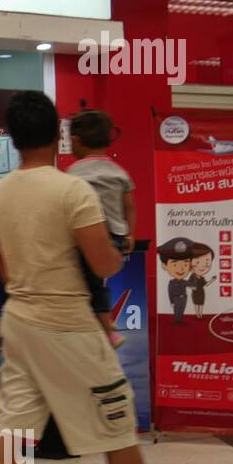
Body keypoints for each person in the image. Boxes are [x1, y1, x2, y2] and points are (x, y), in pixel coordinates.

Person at [0, 91, 215, 464]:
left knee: (10, 427)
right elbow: (103, 261)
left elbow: (5, 271)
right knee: (116, 422)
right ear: (57, 136)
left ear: (14, 139)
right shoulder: (72, 191)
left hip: (19, 319)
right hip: (68, 323)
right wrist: (114, 248)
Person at [68, 109, 135, 348]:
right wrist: (129, 234)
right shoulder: (119, 172)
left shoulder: (73, 174)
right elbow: (130, 206)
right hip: (116, 237)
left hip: (89, 238)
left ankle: (107, 329)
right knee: (96, 281)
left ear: (75, 140)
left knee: (89, 284)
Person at [158, 238, 196, 325]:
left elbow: (192, 284)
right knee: (176, 310)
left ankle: (180, 320)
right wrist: (171, 301)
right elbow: (170, 292)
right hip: (176, 298)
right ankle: (176, 320)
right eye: (175, 264)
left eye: (186, 264)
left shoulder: (184, 281)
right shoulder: (171, 282)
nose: (181, 268)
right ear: (164, 266)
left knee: (182, 309)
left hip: (184, 297)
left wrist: (193, 275)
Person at [188, 242, 216, 319]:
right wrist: (193, 288)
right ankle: (197, 314)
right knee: (196, 304)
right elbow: (188, 284)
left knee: (201, 304)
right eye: (197, 262)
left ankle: (200, 314)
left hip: (201, 292)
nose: (202, 266)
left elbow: (206, 285)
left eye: (206, 263)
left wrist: (212, 280)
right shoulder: (192, 276)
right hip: (195, 293)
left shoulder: (202, 277)